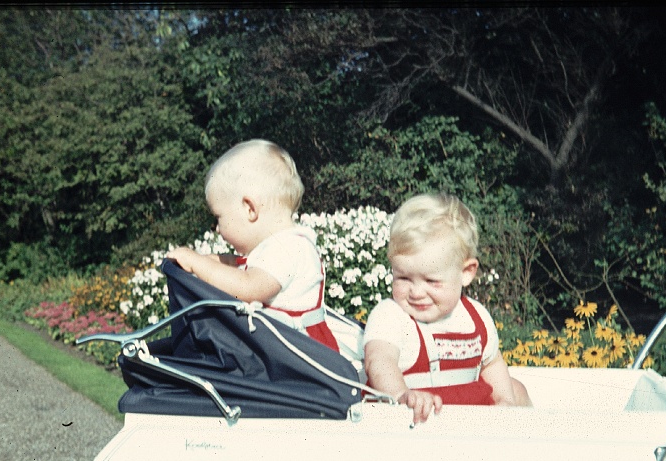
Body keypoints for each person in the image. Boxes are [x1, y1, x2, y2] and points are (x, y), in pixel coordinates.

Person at [363, 193, 532, 424]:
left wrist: (505, 400)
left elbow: (492, 363)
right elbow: (379, 361)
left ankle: (528, 438)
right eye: (403, 278)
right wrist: (401, 395)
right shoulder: (391, 316)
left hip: (470, 422)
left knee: (516, 390)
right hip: (413, 423)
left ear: (466, 273)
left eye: (431, 281)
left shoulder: (476, 317)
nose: (416, 292)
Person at [166, 139, 339, 352]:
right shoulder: (274, 246)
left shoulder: (288, 248)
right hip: (281, 353)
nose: (217, 229)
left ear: (250, 209)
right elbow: (239, 264)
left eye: (218, 217)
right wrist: (208, 260)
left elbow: (247, 287)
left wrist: (196, 263)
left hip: (303, 358)